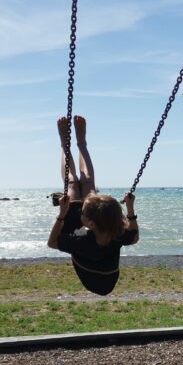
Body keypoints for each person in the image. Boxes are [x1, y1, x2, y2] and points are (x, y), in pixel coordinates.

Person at [47, 115, 139, 296]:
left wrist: (62, 214)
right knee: (88, 181)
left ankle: (65, 145)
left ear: (90, 223)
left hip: (92, 272)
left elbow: (53, 243)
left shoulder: (81, 243)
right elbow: (134, 237)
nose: (81, 210)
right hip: (103, 270)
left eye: (83, 212)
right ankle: (82, 144)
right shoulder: (117, 234)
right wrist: (130, 209)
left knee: (72, 182)